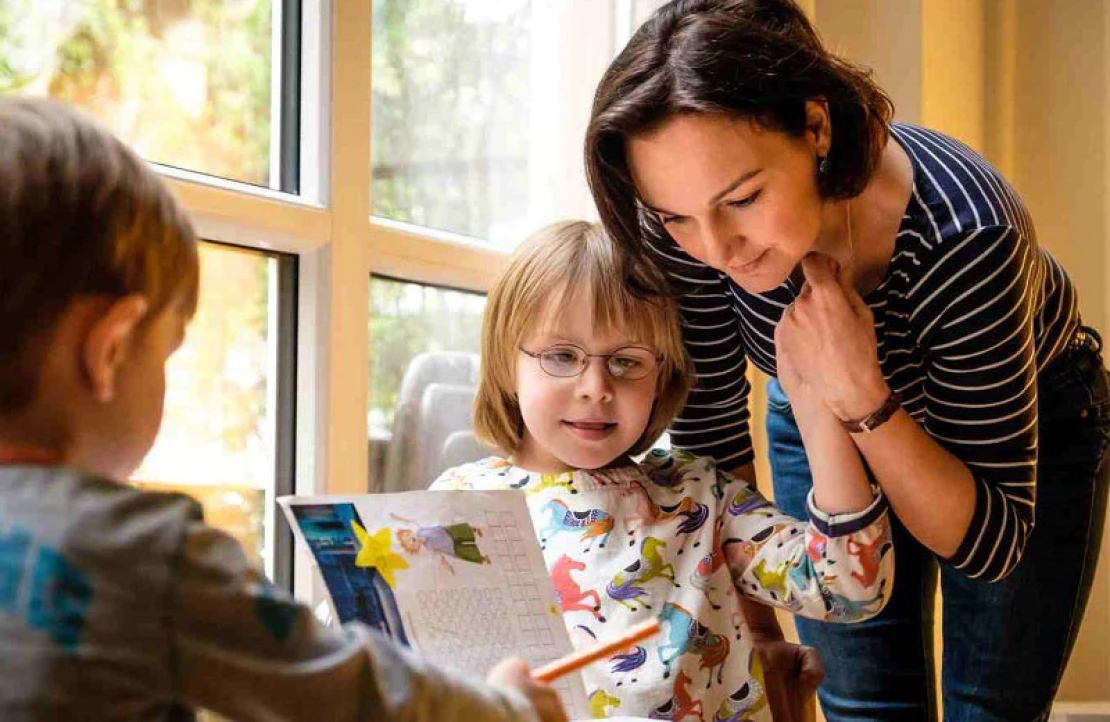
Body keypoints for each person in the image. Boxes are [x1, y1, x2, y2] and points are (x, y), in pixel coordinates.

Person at [583, 1, 1110, 719]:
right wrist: (759, 635)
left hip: (1028, 420)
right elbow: (714, 445)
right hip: (819, 408)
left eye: (744, 199)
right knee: (864, 707)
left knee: (989, 709)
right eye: (679, 218)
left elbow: (989, 547)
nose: (716, 249)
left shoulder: (969, 234)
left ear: (816, 126)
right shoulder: (684, 229)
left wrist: (860, 391)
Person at [0, 96, 566, 722]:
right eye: (164, 352)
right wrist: (508, 708)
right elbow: (349, 691)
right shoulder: (141, 552)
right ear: (108, 349)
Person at [431, 220, 893, 721]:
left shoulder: (701, 497)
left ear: (662, 379)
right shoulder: (459, 505)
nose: (595, 388)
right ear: (506, 363)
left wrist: (815, 403)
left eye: (627, 362)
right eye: (561, 356)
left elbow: (851, 587)